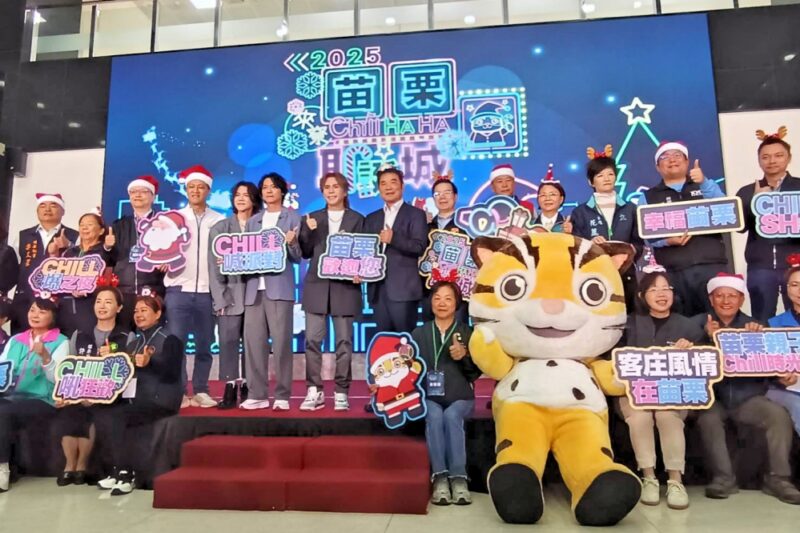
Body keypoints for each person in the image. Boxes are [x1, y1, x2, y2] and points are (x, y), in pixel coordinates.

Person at [693, 273, 800, 504]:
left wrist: (783, 377)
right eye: (719, 296)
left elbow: (772, 366)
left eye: (732, 296)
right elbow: (687, 362)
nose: (726, 301)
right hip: (713, 397)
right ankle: (723, 478)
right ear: (711, 299)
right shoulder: (697, 324)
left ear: (741, 299)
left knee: (777, 415)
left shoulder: (755, 326)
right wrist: (708, 338)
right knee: (708, 419)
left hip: (748, 397)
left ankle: (778, 479)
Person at [617, 269, 704, 510]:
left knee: (667, 416)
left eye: (666, 289)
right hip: (634, 392)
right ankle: (649, 477)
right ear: (642, 295)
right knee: (639, 418)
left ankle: (676, 481)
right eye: (654, 289)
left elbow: (704, 365)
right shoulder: (628, 325)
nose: (661, 294)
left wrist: (690, 351)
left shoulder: (688, 327)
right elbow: (614, 361)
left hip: (673, 392)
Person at [93, 294, 182, 495]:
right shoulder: (134, 343)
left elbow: (172, 374)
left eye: (144, 310)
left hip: (161, 399)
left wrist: (152, 362)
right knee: (104, 412)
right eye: (135, 311)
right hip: (137, 398)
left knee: (120, 416)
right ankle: (117, 470)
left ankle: (127, 473)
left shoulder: (170, 339)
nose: (138, 314)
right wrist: (111, 357)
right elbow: (123, 370)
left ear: (158, 314)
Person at [53, 286, 133, 486]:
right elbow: (71, 369)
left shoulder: (126, 336)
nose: (102, 306)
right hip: (81, 394)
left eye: (108, 302)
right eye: (98, 301)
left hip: (112, 397)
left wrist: (114, 358)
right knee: (69, 412)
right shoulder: (79, 335)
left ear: (119, 307)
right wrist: (70, 395)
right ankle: (69, 466)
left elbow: (128, 373)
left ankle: (83, 466)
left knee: (100, 414)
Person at [299, 172, 364, 411]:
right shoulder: (312, 218)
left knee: (344, 342)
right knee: (312, 340)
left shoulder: (357, 219)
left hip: (345, 287)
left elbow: (364, 253)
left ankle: (341, 391)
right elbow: (305, 252)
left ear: (345, 191)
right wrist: (308, 231)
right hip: (317, 286)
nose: (331, 190)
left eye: (336, 186)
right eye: (327, 187)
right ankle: (314, 390)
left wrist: (360, 271)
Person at [411, 281, 480, 506]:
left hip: (461, 396)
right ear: (431, 302)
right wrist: (383, 384)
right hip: (430, 397)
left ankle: (459, 479)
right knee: (434, 415)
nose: (442, 303)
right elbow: (407, 369)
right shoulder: (419, 333)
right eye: (437, 298)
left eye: (448, 298)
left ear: (457, 303)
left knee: (451, 416)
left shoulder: (467, 333)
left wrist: (465, 356)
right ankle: (440, 478)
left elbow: (474, 373)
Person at [642, 141, 728, 316]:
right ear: (657, 167)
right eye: (665, 157)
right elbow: (645, 235)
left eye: (677, 155)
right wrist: (666, 241)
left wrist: (704, 182)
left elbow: (727, 212)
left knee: (718, 319)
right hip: (674, 271)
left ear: (687, 161)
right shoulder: (648, 197)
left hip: (711, 266)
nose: (672, 160)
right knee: (682, 322)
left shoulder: (705, 186)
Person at [164, 166, 224, 408]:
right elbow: (159, 247)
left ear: (208, 190)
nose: (196, 191)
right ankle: (178, 391)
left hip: (207, 292)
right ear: (186, 190)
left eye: (201, 187)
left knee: (204, 344)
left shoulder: (219, 220)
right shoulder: (172, 219)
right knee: (176, 345)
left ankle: (201, 390)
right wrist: (161, 259)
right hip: (178, 289)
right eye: (191, 187)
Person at [240, 173, 302, 411]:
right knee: (254, 344)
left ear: (282, 191)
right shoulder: (254, 221)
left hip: (279, 289)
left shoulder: (293, 217)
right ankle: (257, 393)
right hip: (254, 289)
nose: (268, 191)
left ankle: (283, 395)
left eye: (273, 187)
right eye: (265, 187)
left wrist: (292, 242)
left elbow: (298, 257)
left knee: (282, 343)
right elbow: (244, 254)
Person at [0, 298, 69, 492]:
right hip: (12, 396)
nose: (35, 315)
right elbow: (3, 368)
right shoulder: (16, 340)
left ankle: (2, 470)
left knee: (3, 413)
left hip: (43, 399)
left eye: (42, 311)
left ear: (52, 317)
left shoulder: (60, 341)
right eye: (32, 310)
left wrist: (45, 357)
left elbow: (58, 378)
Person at [736, 127, 799, 322]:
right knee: (761, 319)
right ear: (759, 160)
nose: (772, 161)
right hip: (760, 265)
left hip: (796, 264)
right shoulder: (747, 191)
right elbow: (740, 227)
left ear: (788, 158)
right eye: (766, 157)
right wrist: (754, 202)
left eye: (778, 155)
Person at [571, 146, 643, 312]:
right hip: (593, 275)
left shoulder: (630, 209)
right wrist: (591, 244)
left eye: (610, 174)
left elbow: (639, 243)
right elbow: (576, 245)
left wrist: (625, 255)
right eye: (600, 175)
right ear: (591, 182)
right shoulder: (580, 212)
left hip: (626, 274)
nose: (606, 179)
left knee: (628, 317)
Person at [209, 181, 261, 409]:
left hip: (255, 295)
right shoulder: (220, 228)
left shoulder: (261, 227)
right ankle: (230, 385)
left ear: (254, 199)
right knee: (228, 341)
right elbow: (213, 266)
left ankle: (250, 384)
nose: (241, 198)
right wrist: (220, 297)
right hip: (229, 295)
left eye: (246, 195)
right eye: (237, 194)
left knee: (253, 343)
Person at [364, 166, 428, 334]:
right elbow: (366, 252)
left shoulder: (416, 214)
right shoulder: (371, 218)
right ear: (379, 189)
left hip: (404, 290)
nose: (388, 187)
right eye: (383, 183)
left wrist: (394, 239)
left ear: (402, 186)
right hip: (377, 290)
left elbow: (419, 247)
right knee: (383, 340)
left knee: (405, 341)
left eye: (393, 182)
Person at [11, 193, 78, 333]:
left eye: (53, 205)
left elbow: (80, 265)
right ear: (37, 211)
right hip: (25, 298)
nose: (47, 209)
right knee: (21, 339)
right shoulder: (23, 235)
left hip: (59, 299)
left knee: (56, 338)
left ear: (63, 211)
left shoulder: (74, 236)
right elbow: (12, 266)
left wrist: (69, 246)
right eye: (42, 206)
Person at [107, 175, 166, 329]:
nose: (137, 195)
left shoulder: (164, 223)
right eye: (133, 192)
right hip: (124, 291)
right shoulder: (119, 225)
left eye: (143, 191)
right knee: (124, 335)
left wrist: (168, 262)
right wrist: (107, 247)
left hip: (154, 289)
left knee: (153, 335)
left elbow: (174, 253)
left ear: (153, 196)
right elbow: (109, 260)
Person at [57, 209, 113, 336]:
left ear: (101, 230)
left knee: (86, 340)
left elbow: (109, 277)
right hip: (66, 307)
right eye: (82, 225)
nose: (84, 228)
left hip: (90, 306)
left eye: (89, 224)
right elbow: (58, 279)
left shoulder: (104, 252)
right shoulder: (70, 252)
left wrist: (108, 248)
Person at [421, 177, 468, 323]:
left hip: (458, 290)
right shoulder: (425, 225)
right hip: (431, 290)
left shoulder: (467, 224)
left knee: (457, 330)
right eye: (437, 194)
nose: (442, 197)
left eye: (447, 193)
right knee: (430, 331)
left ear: (455, 196)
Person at [765, 255, 800, 436]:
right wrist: (780, 378)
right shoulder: (774, 324)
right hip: (787, 390)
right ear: (786, 288)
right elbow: (767, 368)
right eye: (794, 285)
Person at [533, 164, 571, 232]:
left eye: (552, 194)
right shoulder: (530, 225)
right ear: (538, 199)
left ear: (561, 199)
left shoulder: (568, 224)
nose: (547, 198)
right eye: (543, 195)